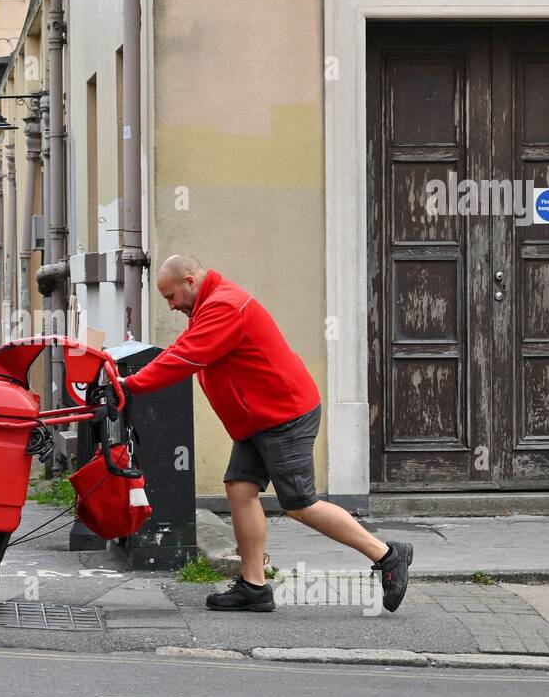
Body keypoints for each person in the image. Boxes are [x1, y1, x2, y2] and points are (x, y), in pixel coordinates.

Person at [120, 254, 413, 613]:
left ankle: (386, 554)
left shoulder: (224, 306)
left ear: (190, 282)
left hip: (283, 415)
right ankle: (254, 586)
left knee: (300, 503)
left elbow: (186, 358)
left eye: (170, 296)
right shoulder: (208, 305)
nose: (170, 306)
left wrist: (130, 384)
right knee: (240, 489)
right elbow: (187, 350)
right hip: (259, 419)